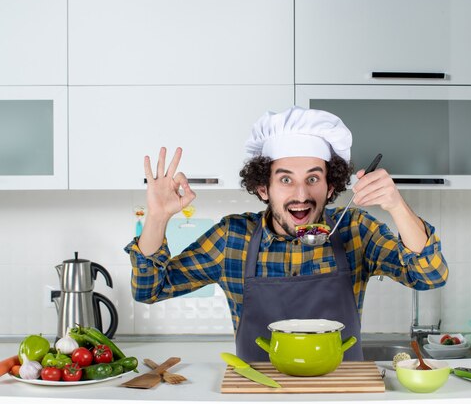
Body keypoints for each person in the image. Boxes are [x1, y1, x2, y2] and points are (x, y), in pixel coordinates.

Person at [125, 106, 448, 361]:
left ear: (331, 185)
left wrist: (396, 205)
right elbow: (150, 288)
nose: (300, 194)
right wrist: (157, 217)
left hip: (342, 392)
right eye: (285, 179)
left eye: (312, 178)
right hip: (260, 395)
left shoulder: (355, 230)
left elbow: (429, 275)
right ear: (263, 188)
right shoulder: (232, 238)